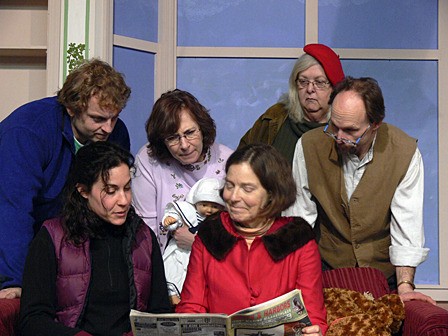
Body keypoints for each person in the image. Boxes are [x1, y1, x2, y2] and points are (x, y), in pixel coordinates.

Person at [284, 76, 436, 305]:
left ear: (375, 124)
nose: (339, 137)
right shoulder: (308, 146)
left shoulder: (404, 152)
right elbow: (299, 221)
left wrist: (405, 286)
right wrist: (295, 281)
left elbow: (407, 226)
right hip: (327, 270)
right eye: (334, 126)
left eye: (350, 130)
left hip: (382, 276)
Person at [0, 58, 131, 298]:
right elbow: (12, 210)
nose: (109, 128)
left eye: (114, 117)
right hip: (14, 242)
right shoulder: (26, 132)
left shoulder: (117, 132)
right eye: (98, 119)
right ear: (71, 108)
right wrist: (13, 281)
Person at [19, 141, 171, 336]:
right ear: (83, 191)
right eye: (111, 191)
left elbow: (160, 314)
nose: (123, 200)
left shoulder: (143, 237)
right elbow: (32, 320)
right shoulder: (52, 237)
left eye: (127, 188)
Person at [177, 144, 328, 336]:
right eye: (230, 186)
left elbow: (313, 315)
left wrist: (313, 332)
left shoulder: (298, 239)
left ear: (272, 194)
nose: (233, 197)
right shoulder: (211, 234)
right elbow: (191, 305)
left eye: (247, 189)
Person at [132, 89, 233, 251]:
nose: (184, 145)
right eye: (172, 138)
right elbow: (145, 231)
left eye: (190, 133)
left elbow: (242, 233)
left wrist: (198, 244)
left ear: (202, 127)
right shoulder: (148, 159)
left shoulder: (229, 161)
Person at [238, 43, 345, 165]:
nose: (310, 89)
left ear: (335, 88)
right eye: (303, 81)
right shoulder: (275, 117)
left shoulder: (345, 129)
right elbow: (241, 160)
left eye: (319, 82)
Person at [162, 177, 225, 305]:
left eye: (214, 206)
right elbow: (176, 217)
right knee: (172, 270)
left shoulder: (220, 221)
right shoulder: (188, 212)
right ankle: (172, 295)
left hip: (199, 256)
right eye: (204, 205)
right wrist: (171, 221)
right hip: (179, 251)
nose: (209, 209)